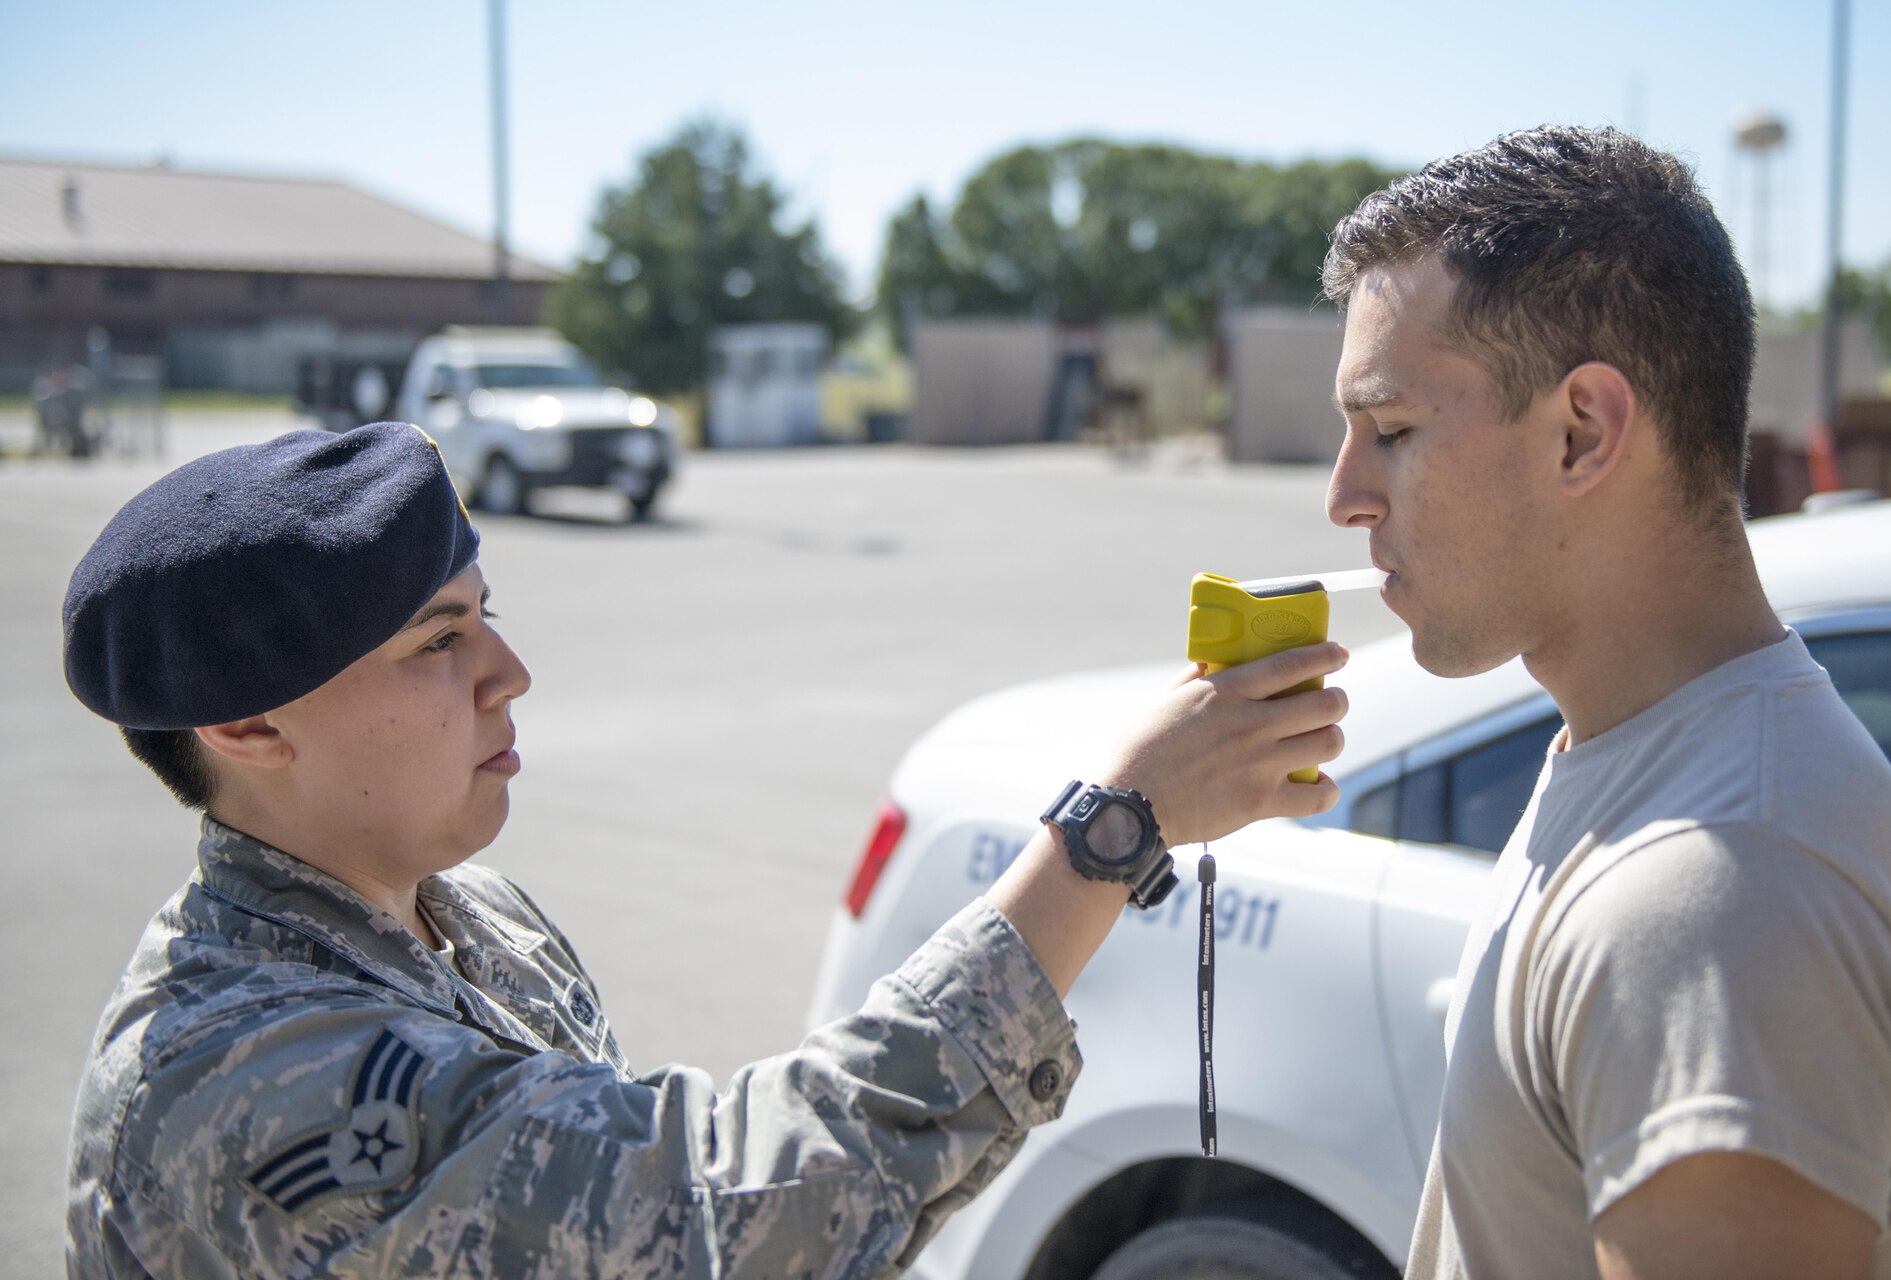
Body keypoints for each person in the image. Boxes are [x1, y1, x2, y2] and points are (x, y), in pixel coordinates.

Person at [61, 422, 1352, 1278]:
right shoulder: (240, 1078)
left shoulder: (474, 918)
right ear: (244, 727)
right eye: (435, 644)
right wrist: (1106, 835)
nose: (510, 672)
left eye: (484, 617)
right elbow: (729, 1211)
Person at [1319, 126, 1891, 1279]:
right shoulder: (1643, 755)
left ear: (1582, 430)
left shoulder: (1720, 892)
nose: (1344, 495)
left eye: (1391, 431)